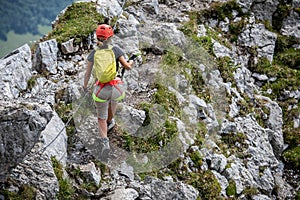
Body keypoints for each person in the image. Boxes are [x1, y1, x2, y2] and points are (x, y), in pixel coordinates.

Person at [83, 24, 134, 158]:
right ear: (110, 37)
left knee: (101, 117)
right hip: (116, 87)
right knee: (111, 110)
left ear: (97, 37)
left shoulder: (94, 53)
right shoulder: (116, 50)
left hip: (101, 89)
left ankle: (105, 141)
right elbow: (127, 67)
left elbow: (87, 74)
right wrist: (131, 62)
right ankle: (110, 122)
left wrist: (84, 86)